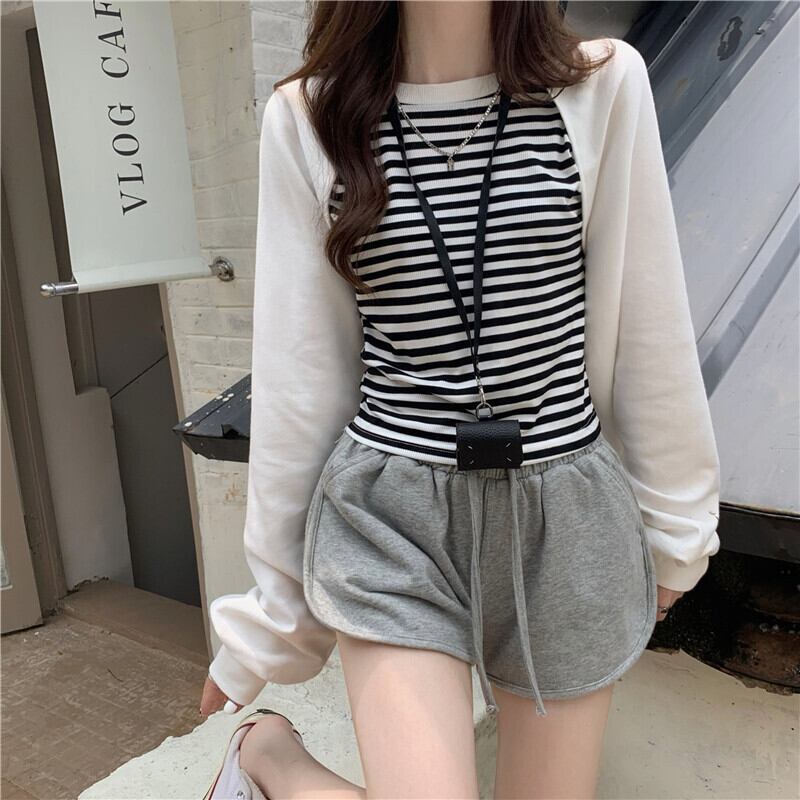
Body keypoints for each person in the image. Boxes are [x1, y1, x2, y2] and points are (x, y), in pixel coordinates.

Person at [200, 2, 721, 798]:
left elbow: (651, 321)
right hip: (391, 520)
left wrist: (676, 525)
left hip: (564, 518)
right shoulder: (310, 117)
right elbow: (299, 382)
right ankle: (268, 753)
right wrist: (272, 620)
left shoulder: (601, 86)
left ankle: (273, 761)